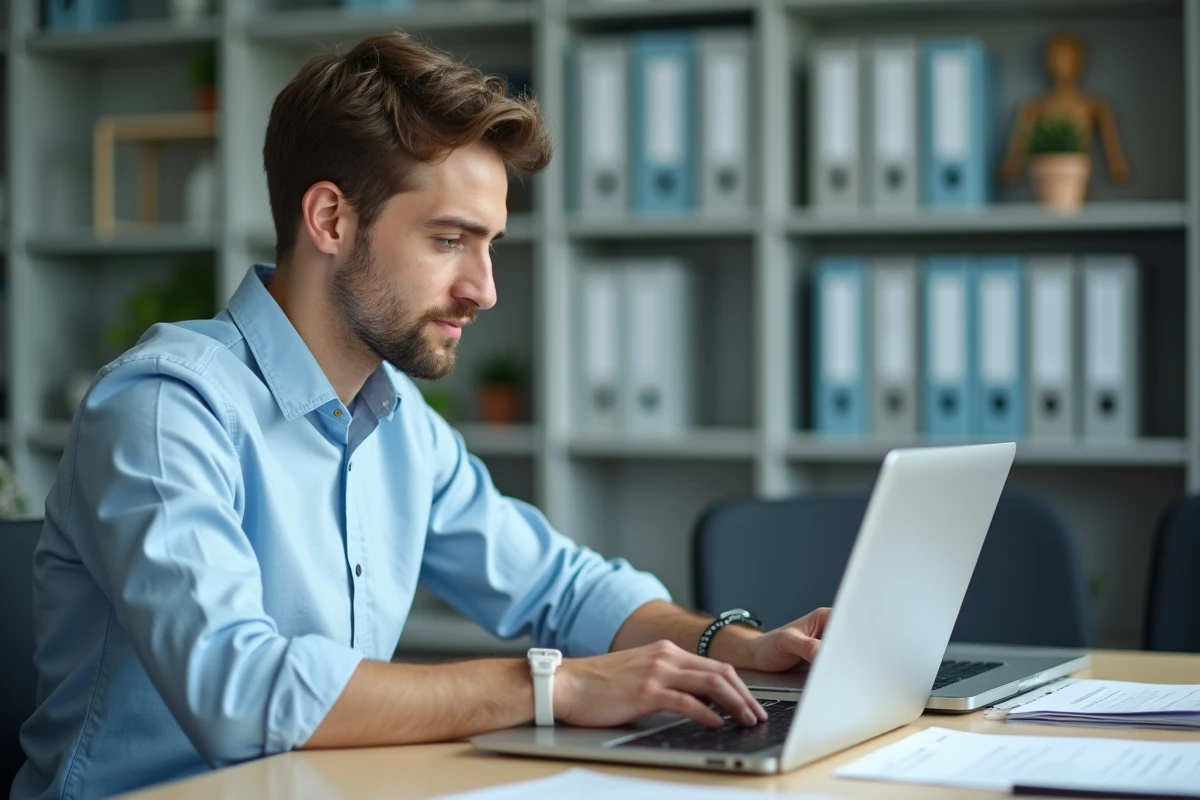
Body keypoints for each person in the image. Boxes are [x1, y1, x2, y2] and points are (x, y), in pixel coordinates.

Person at [13, 33, 829, 800]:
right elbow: (238, 690)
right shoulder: (166, 408)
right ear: (330, 219)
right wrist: (554, 685)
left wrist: (734, 646)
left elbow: (563, 588)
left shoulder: (400, 423)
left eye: (491, 244)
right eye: (449, 240)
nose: (485, 288)